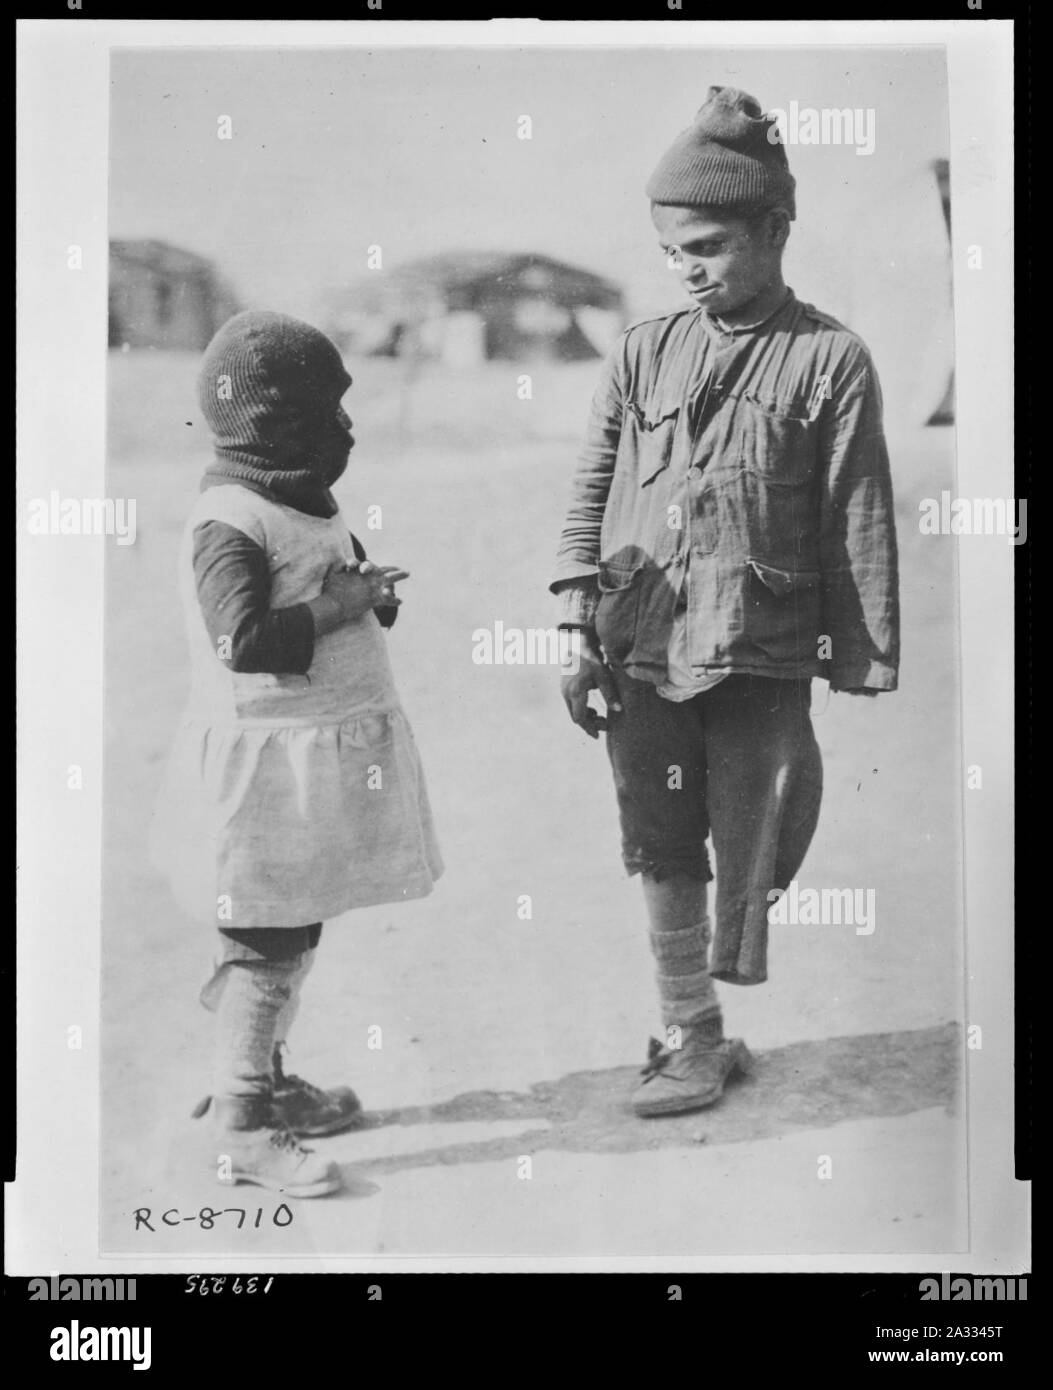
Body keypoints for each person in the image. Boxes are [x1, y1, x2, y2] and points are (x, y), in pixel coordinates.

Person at [551, 87, 899, 1118]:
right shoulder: (641, 351)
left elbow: (857, 510)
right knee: (661, 840)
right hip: (642, 639)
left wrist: (857, 654)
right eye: (672, 252)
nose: (687, 268)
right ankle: (692, 1035)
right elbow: (589, 490)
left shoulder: (831, 358)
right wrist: (574, 623)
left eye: (707, 245)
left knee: (758, 837)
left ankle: (712, 997)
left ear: (776, 229)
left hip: (761, 648)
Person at [151, 310, 443, 1196]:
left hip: (310, 760)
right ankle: (238, 1127)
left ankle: (258, 1083)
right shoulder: (229, 517)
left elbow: (330, 574)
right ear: (278, 422)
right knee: (265, 942)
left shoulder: (296, 497)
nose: (343, 429)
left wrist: (366, 592)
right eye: (326, 410)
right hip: (265, 777)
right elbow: (243, 639)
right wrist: (341, 607)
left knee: (290, 930)